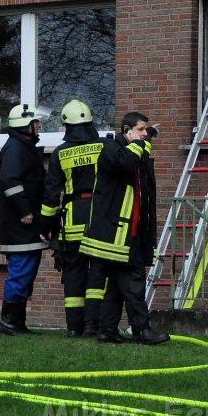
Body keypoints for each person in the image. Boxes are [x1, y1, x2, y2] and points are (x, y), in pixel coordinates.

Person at [80, 111, 169, 345]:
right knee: (134, 281)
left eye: (145, 131)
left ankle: (107, 330)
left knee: (116, 287)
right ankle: (142, 330)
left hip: (130, 232)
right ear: (126, 130)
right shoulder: (109, 148)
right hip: (115, 234)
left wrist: (145, 139)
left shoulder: (135, 151)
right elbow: (125, 162)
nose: (143, 135)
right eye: (140, 130)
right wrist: (143, 142)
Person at [40, 99, 107, 337]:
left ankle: (73, 328)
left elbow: (51, 194)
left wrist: (46, 225)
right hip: (100, 219)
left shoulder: (60, 153)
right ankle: (92, 325)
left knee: (74, 274)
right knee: (98, 273)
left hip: (72, 221)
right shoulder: (103, 147)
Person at [0, 102, 50, 336]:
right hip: (20, 224)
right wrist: (25, 211)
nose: (38, 126)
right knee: (20, 272)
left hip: (28, 223)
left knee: (27, 273)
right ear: (25, 125)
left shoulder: (23, 147)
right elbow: (10, 181)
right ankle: (8, 323)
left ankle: (17, 323)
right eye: (35, 122)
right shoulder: (15, 149)